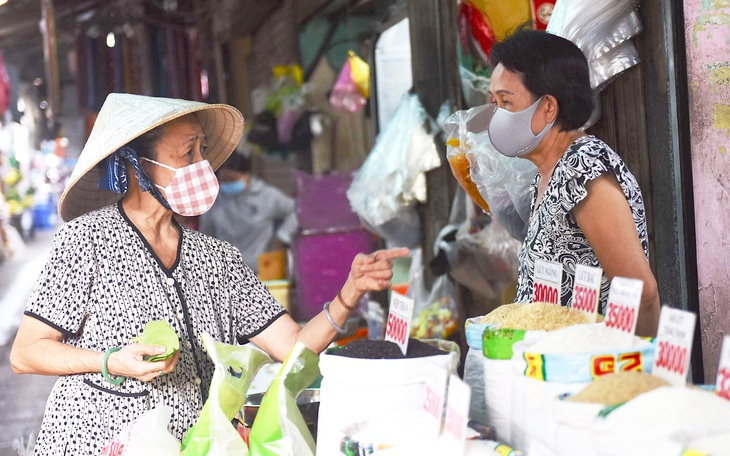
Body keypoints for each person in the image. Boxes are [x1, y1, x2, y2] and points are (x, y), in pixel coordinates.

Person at [9, 93, 408, 455]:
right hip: (97, 442)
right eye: (188, 154)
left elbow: (294, 347)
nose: (203, 165)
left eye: (203, 150)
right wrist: (112, 361)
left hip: (194, 444)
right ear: (136, 165)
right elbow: (26, 353)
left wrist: (348, 294)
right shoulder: (85, 241)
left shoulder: (217, 258)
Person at [481, 30, 659, 336]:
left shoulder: (584, 170)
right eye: (494, 102)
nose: (496, 114)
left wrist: (636, 366)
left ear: (548, 107)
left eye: (506, 102)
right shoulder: (549, 171)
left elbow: (640, 293)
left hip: (590, 365)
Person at [199, 152, 297, 274]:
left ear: (247, 174)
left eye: (232, 180)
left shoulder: (266, 196)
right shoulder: (214, 201)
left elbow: (295, 211)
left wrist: (282, 236)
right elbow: (206, 236)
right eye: (224, 180)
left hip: (263, 270)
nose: (228, 184)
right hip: (228, 274)